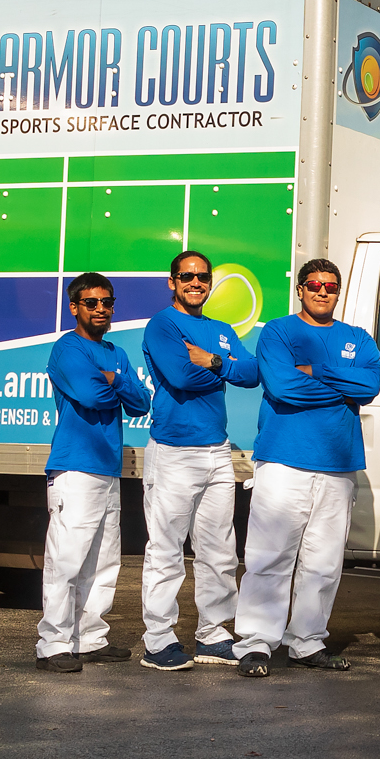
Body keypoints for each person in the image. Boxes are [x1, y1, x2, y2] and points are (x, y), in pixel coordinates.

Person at [233, 259, 380, 677]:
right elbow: (282, 387)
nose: (322, 291)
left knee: (324, 562)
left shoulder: (357, 337)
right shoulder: (278, 332)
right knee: (269, 558)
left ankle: (307, 642)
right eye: (314, 285)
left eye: (331, 286)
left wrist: (316, 371)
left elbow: (369, 387)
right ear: (300, 289)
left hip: (337, 465)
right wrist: (342, 385)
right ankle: (256, 644)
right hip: (284, 460)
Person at [136, 249, 260, 671]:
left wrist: (211, 359)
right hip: (173, 451)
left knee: (220, 551)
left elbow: (252, 373)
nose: (195, 283)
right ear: (172, 281)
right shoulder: (163, 324)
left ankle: (212, 634)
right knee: (166, 549)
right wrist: (225, 368)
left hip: (216, 450)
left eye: (203, 277)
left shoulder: (221, 330)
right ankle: (158, 640)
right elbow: (180, 377)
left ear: (210, 282)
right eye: (186, 276)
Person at [37, 272, 151, 672]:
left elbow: (140, 403)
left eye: (107, 302)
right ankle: (52, 645)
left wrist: (115, 379)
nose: (101, 309)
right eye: (92, 303)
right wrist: (118, 386)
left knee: (104, 561)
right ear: (75, 307)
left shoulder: (116, 354)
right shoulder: (67, 349)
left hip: (107, 470)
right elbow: (90, 394)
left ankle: (89, 638)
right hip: (74, 468)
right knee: (66, 560)